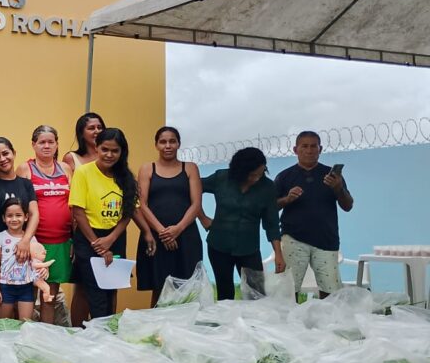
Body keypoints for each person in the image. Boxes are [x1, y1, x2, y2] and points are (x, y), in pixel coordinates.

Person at [69, 128, 152, 320]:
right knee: (95, 293)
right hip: (89, 237)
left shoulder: (126, 177)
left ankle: (108, 331)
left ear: (122, 152)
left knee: (111, 290)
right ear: (96, 147)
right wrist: (97, 244)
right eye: (105, 149)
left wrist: (112, 238)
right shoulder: (83, 172)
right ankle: (98, 333)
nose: (109, 155)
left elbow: (129, 211)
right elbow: (78, 212)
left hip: (115, 237)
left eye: (115, 151)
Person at [199, 147, 285, 301]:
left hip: (249, 249)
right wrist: (202, 217)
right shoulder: (221, 178)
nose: (256, 179)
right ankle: (226, 317)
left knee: (256, 294)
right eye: (252, 175)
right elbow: (194, 187)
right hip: (218, 246)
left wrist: (278, 253)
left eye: (260, 173)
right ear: (239, 171)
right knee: (225, 292)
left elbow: (272, 223)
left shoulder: (267, 187)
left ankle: (254, 318)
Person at [275, 131, 354, 298]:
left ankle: (328, 316)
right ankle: (289, 316)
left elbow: (348, 206)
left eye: (313, 146)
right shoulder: (284, 176)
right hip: (293, 238)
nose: (309, 151)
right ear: (295, 150)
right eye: (304, 146)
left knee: (330, 292)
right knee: (289, 291)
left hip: (326, 240)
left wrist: (338, 188)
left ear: (320, 149)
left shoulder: (333, 176)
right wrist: (287, 199)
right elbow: (270, 207)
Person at [136, 126, 203, 306]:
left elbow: (196, 204)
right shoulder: (147, 169)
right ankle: (157, 324)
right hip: (156, 237)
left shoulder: (190, 168)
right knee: (159, 288)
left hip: (186, 235)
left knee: (187, 288)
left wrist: (178, 229)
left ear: (178, 144)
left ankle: (185, 323)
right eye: (163, 142)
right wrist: (163, 232)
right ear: (156, 145)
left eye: (172, 141)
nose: (168, 146)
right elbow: (142, 204)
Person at [0, 135, 38, 325]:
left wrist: (25, 242)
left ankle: (11, 341)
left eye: (5, 153)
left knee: (17, 308)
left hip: (19, 254)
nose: (2, 159)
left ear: (13, 153)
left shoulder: (25, 184)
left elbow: (34, 214)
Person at [17, 125, 73, 325]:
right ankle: (25, 334)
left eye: (51, 142)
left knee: (50, 296)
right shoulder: (25, 169)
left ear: (57, 144)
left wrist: (74, 238)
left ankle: (45, 336)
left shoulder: (65, 169)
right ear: (33, 144)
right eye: (42, 142)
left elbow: (73, 205)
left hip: (61, 241)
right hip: (34, 242)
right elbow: (18, 206)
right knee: (28, 294)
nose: (47, 146)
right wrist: (24, 240)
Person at [62, 112, 107, 323]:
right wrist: (72, 236)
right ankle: (78, 330)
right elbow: (69, 199)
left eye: (99, 127)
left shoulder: (109, 156)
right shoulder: (72, 159)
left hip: (107, 228)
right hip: (81, 229)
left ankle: (104, 328)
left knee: (108, 283)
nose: (96, 131)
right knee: (82, 285)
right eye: (91, 128)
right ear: (81, 132)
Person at [0, 198, 44, 321]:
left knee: (26, 323)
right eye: (9, 216)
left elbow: (36, 262)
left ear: (26, 217)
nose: (14, 219)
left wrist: (43, 271)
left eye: (18, 215)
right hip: (5, 287)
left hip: (26, 287)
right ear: (4, 218)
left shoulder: (31, 239)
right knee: (4, 324)